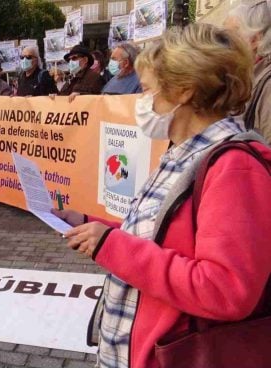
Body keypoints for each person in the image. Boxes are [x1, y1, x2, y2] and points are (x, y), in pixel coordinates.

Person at [54, 24, 271, 368]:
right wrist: (90, 224)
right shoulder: (182, 153)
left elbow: (224, 290)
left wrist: (110, 245)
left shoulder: (234, 168)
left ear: (183, 92)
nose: (143, 102)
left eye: (148, 90)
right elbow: (157, 236)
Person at [224, 1, 271, 143]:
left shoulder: (267, 84)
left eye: (229, 38)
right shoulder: (245, 77)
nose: (222, 46)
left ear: (254, 40)